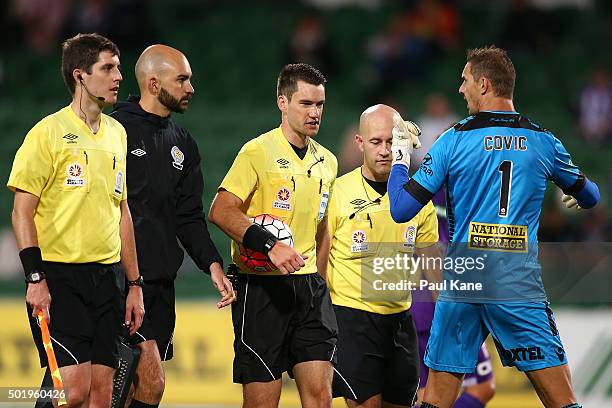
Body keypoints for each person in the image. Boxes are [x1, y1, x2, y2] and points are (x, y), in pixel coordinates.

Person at [387, 46, 599, 408]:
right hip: (516, 285)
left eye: (465, 80)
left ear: (483, 84)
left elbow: (401, 208)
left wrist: (400, 158)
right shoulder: (544, 141)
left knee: (435, 400)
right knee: (562, 401)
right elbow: (591, 195)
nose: (460, 89)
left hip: (463, 282)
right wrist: (578, 194)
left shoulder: (451, 141)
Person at [7, 33, 144, 407]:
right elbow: (22, 211)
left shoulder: (118, 133)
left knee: (102, 395)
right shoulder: (46, 134)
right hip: (59, 278)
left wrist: (134, 283)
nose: (118, 76)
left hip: (108, 279)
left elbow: (122, 211)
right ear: (80, 74)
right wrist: (35, 278)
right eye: (108, 68)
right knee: (71, 390)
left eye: (118, 67)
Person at [110, 44, 235, 408]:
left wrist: (211, 264)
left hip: (161, 286)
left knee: (135, 389)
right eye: (182, 79)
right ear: (153, 83)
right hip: (121, 280)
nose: (190, 88)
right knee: (147, 380)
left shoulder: (182, 142)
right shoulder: (115, 131)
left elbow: (189, 216)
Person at [208, 63, 338, 408]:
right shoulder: (257, 152)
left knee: (320, 398)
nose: (315, 113)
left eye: (320, 105)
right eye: (306, 104)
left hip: (309, 290)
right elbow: (220, 210)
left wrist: (320, 281)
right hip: (261, 288)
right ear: (282, 102)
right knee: (263, 402)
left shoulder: (328, 161)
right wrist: (270, 245)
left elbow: (322, 228)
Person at [322, 104, 439, 408]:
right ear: (360, 142)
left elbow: (432, 262)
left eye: (392, 142)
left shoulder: (418, 198)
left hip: (401, 321)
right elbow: (320, 260)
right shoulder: (338, 192)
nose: (385, 150)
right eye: (376, 142)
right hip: (351, 319)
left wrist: (446, 314)